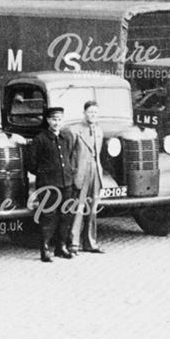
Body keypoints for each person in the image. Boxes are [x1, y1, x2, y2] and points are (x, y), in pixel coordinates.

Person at [27, 106, 78, 262]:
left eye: (59, 119)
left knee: (66, 215)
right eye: (54, 120)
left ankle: (61, 247)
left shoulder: (66, 137)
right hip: (48, 184)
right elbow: (31, 164)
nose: (57, 123)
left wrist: (68, 173)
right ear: (48, 120)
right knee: (49, 216)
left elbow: (69, 156)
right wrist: (46, 174)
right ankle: (45, 249)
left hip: (66, 183)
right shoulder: (40, 139)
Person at [69, 100, 105, 254]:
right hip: (80, 173)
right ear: (84, 113)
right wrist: (73, 173)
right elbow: (70, 155)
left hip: (95, 171)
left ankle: (90, 242)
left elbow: (98, 154)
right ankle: (73, 243)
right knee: (78, 208)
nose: (93, 115)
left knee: (92, 209)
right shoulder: (75, 131)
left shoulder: (99, 131)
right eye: (90, 112)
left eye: (95, 112)